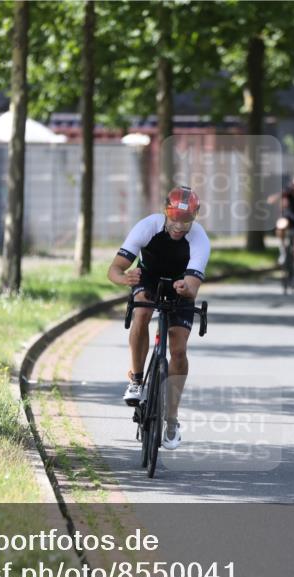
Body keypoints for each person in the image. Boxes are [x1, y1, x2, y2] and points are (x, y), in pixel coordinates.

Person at [107, 185, 211, 450]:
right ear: (166, 212)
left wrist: (185, 288)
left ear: (194, 217)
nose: (178, 226)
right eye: (174, 218)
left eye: (185, 221)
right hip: (149, 279)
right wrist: (124, 278)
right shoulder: (147, 226)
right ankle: (137, 379)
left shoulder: (199, 239)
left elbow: (193, 285)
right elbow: (115, 269)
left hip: (180, 285)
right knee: (141, 312)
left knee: (178, 350)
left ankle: (172, 419)